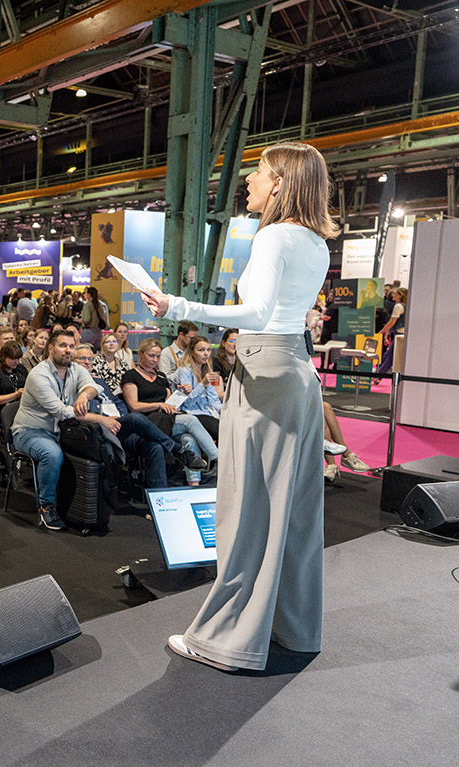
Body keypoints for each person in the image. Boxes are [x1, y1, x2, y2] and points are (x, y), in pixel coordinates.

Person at [142, 141, 336, 672]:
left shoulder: (274, 235)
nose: (248, 180)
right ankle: (294, 629)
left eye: (258, 171)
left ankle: (228, 640)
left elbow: (256, 312)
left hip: (267, 378)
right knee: (292, 514)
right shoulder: (316, 241)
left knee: (247, 510)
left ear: (281, 182)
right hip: (293, 374)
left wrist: (177, 306)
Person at [73, 344, 207, 490]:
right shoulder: (73, 383)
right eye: (82, 358)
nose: (87, 362)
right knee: (136, 417)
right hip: (99, 429)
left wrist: (120, 416)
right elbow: (77, 413)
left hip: (121, 426)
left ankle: (158, 499)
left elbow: (117, 401)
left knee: (154, 446)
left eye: (90, 358)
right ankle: (178, 450)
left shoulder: (99, 381)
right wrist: (106, 418)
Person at [10, 329, 98, 530]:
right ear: (51, 348)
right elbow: (60, 411)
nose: (68, 350)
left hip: (61, 431)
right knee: (53, 454)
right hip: (29, 431)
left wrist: (84, 395)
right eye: (63, 345)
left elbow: (94, 387)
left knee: (94, 446)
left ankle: (86, 506)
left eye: (71, 346)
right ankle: (46, 506)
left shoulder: (76, 369)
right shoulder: (38, 375)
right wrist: (100, 419)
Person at [121, 339, 218, 486]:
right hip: (146, 421)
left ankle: (194, 486)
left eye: (158, 356)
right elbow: (134, 406)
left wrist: (181, 393)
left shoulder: (160, 376)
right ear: (140, 354)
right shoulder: (131, 375)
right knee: (190, 420)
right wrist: (158, 405)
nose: (155, 360)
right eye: (151, 355)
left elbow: (169, 402)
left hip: (167, 418)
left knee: (188, 440)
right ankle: (218, 459)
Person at [172, 336, 224, 441]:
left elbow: (213, 399)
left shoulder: (207, 371)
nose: (206, 354)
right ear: (191, 352)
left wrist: (223, 410)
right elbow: (187, 403)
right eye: (201, 350)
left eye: (208, 350)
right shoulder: (184, 371)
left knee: (232, 426)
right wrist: (203, 384)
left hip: (209, 413)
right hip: (192, 414)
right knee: (223, 432)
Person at [0, 340, 28, 426]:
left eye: (18, 359)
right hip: (0, 412)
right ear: (3, 357)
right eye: (13, 359)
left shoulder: (20, 369)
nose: (17, 362)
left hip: (21, 409)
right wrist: (16, 395)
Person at [376, 286, 406, 374]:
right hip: (401, 333)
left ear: (400, 296)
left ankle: (378, 375)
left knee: (389, 356)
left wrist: (381, 332)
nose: (393, 295)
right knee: (389, 355)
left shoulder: (398, 306)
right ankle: (378, 374)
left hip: (399, 334)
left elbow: (391, 322)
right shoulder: (405, 305)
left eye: (396, 294)